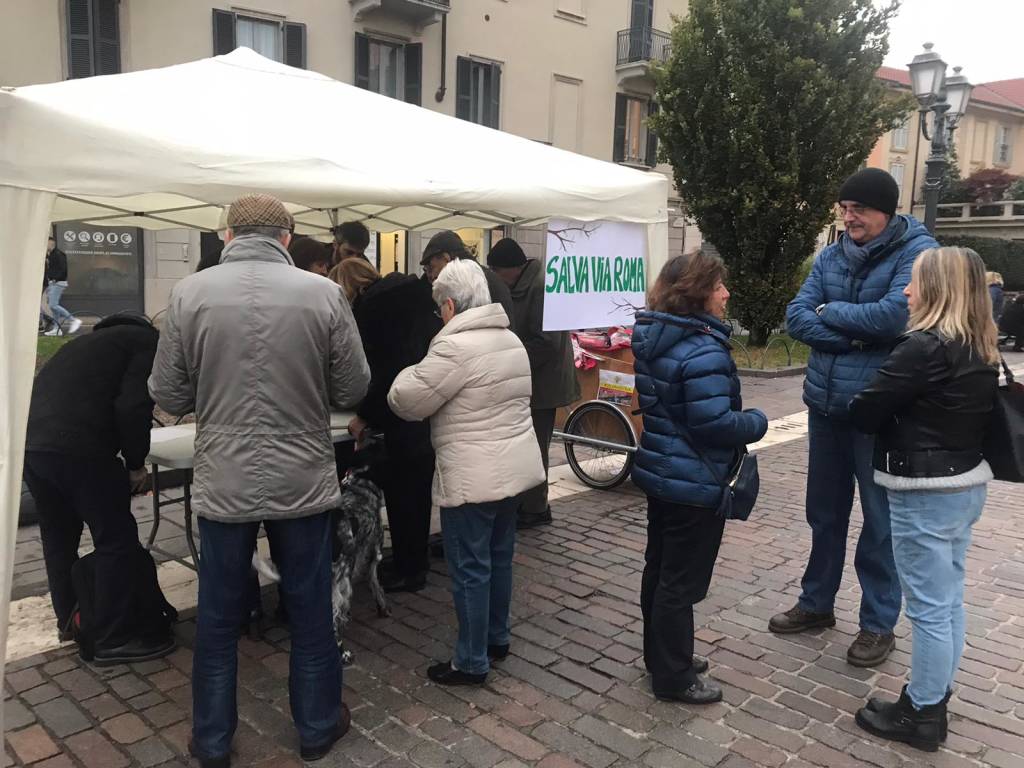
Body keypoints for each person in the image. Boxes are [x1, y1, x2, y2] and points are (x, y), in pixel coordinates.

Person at [149, 194, 370, 767]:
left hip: (224, 479)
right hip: (302, 476)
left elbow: (168, 394)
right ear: (288, 239)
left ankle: (213, 741)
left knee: (218, 620)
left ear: (226, 237)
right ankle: (318, 727)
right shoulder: (322, 293)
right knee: (310, 610)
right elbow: (352, 388)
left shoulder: (189, 293)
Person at [774, 168, 938, 668]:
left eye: (858, 210)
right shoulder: (830, 254)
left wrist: (831, 314)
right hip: (824, 408)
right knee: (823, 514)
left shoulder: (918, 254)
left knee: (880, 524)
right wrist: (856, 334)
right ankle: (816, 603)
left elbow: (895, 316)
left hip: (877, 412)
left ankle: (877, 624)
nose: (848, 218)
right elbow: (796, 315)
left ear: (885, 211)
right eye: (844, 209)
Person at [849, 247, 999, 752]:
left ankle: (923, 712)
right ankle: (931, 695)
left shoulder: (925, 347)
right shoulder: (980, 345)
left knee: (930, 609)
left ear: (937, 288)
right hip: (964, 486)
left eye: (914, 283)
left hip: (925, 490)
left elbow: (865, 409)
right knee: (948, 600)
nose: (907, 292)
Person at [388, 259, 544, 686]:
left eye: (440, 307)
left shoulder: (453, 347)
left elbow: (406, 400)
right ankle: (496, 639)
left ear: (452, 305)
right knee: (499, 559)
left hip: (472, 477)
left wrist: (406, 367)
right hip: (512, 470)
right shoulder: (509, 339)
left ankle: (471, 661)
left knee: (470, 568)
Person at [630, 250, 768, 705]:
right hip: (692, 482)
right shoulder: (702, 347)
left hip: (664, 473)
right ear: (697, 293)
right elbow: (713, 423)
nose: (726, 294)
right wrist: (756, 421)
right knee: (680, 582)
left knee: (661, 568)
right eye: (718, 286)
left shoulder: (658, 337)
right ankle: (674, 675)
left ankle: (662, 655)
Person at [23, 313, 175, 663]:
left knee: (58, 537)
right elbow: (133, 405)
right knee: (116, 539)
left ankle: (71, 620)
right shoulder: (144, 343)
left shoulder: (80, 345)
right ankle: (113, 637)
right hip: (81, 448)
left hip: (33, 448)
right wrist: (136, 463)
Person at [333, 258, 442, 593]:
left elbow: (381, 373)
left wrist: (365, 414)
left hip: (400, 412)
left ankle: (410, 570)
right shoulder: (409, 297)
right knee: (416, 496)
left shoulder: (375, 309)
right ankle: (412, 561)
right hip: (424, 408)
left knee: (403, 495)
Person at [487, 237, 579, 529]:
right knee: (528, 444)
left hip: (543, 382)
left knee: (536, 445)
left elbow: (546, 343)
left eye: (497, 273)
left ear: (511, 270)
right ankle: (529, 503)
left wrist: (510, 358)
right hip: (532, 378)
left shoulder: (540, 288)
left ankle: (536, 508)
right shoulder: (527, 283)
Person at [419, 230, 515, 330]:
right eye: (426, 270)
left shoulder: (484, 282)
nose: (430, 276)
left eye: (431, 268)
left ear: (446, 259)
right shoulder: (491, 280)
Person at [44, 236, 81, 336]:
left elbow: (63, 269)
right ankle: (57, 329)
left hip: (58, 283)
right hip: (53, 282)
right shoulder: (50, 255)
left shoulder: (59, 254)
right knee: (53, 307)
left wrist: (55, 279)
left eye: (45, 242)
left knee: (53, 305)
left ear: (51, 243)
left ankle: (73, 320)